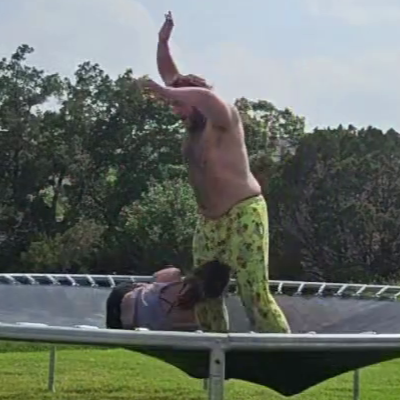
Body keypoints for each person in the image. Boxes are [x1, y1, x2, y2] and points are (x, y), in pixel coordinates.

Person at [140, 12, 290, 334]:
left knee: (254, 293)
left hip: (243, 215)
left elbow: (203, 95)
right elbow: (171, 75)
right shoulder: (192, 124)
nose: (176, 112)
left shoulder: (222, 117)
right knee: (203, 293)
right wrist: (162, 42)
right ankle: (217, 350)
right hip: (209, 224)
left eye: (179, 105)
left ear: (194, 102)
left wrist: (169, 92)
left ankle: (282, 350)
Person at [105, 260, 231, 331]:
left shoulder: (174, 276)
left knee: (139, 287)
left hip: (123, 301)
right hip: (133, 324)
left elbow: (156, 275)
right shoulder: (203, 317)